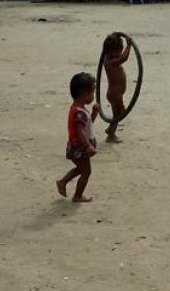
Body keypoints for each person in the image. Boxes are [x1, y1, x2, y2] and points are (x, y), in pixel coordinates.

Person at [56, 72, 100, 202]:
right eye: (92, 93)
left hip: (78, 147)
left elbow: (86, 125)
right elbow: (80, 131)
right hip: (80, 148)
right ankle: (77, 196)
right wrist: (87, 146)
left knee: (80, 169)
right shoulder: (79, 112)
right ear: (85, 94)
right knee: (86, 172)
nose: (93, 96)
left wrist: (94, 113)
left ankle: (62, 182)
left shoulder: (78, 109)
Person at [101, 32, 131, 143]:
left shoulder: (109, 58)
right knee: (120, 113)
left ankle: (111, 131)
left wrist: (116, 35)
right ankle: (111, 132)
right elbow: (124, 58)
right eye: (119, 50)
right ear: (110, 51)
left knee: (118, 113)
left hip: (116, 94)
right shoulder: (110, 62)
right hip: (115, 94)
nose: (120, 52)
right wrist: (129, 45)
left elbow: (120, 55)